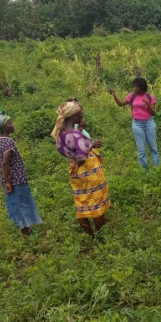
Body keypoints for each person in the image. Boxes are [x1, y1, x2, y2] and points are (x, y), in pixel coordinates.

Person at [51, 100, 109, 237]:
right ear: (75, 116)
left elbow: (72, 150)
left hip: (74, 171)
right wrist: (90, 145)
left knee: (81, 201)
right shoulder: (76, 135)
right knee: (96, 204)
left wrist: (89, 144)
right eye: (80, 113)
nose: (82, 115)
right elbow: (81, 157)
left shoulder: (60, 133)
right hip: (87, 170)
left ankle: (89, 234)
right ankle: (101, 237)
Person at [0, 111, 42, 237]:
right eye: (10, 123)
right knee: (21, 205)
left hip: (10, 180)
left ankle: (26, 230)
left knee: (16, 205)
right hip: (16, 181)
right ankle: (26, 234)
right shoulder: (8, 143)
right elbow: (6, 162)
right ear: (3, 127)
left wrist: (3, 174)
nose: (13, 125)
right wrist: (8, 179)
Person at [110, 77, 160, 169]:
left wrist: (148, 105)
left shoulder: (150, 97)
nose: (134, 88)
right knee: (141, 150)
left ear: (141, 87)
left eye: (135, 86)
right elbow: (120, 104)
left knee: (153, 147)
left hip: (149, 123)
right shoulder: (131, 96)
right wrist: (114, 95)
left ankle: (157, 169)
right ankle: (144, 171)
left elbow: (153, 112)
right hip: (137, 124)